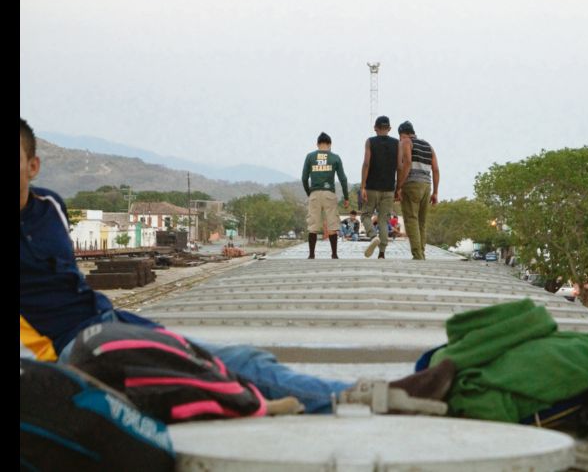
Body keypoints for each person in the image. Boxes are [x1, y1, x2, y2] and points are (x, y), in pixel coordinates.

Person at [20, 118, 453, 415]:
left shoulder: (51, 208)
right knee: (221, 367)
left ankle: (312, 397)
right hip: (76, 348)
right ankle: (372, 396)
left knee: (232, 358)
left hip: (107, 321)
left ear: (34, 166)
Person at [395, 121, 440, 260]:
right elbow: (436, 169)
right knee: (421, 221)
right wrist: (435, 192)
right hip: (427, 186)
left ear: (402, 134)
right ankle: (422, 252)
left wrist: (399, 186)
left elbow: (407, 163)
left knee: (411, 219)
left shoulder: (406, 142)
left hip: (412, 184)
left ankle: (417, 255)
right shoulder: (428, 146)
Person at [301, 132, 349, 259]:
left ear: (317, 144)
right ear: (330, 144)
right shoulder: (335, 158)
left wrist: (309, 192)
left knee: (313, 226)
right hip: (329, 194)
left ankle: (311, 254)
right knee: (332, 225)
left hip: (314, 194)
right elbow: (343, 179)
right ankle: (334, 254)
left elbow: (304, 178)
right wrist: (346, 197)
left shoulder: (310, 157)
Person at [361, 115, 399, 259]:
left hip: (372, 187)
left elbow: (366, 164)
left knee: (365, 215)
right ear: (389, 129)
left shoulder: (370, 142)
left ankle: (372, 236)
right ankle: (382, 253)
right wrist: (398, 187)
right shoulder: (397, 143)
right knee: (384, 220)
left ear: (375, 128)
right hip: (389, 188)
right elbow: (400, 167)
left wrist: (363, 186)